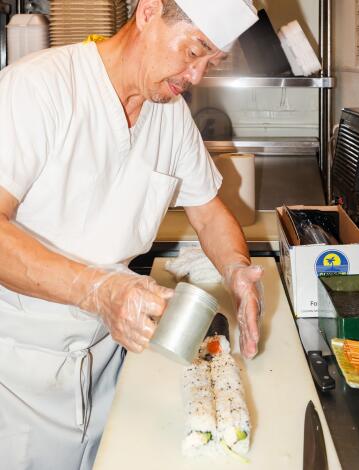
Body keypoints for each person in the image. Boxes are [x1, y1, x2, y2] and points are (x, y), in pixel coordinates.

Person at [0, 0, 262, 468]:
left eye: (211, 62)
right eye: (194, 50)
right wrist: (98, 291)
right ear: (148, 13)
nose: (197, 75)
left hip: (109, 367)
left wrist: (238, 269)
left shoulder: (170, 114)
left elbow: (209, 214)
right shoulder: (38, 87)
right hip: (19, 379)